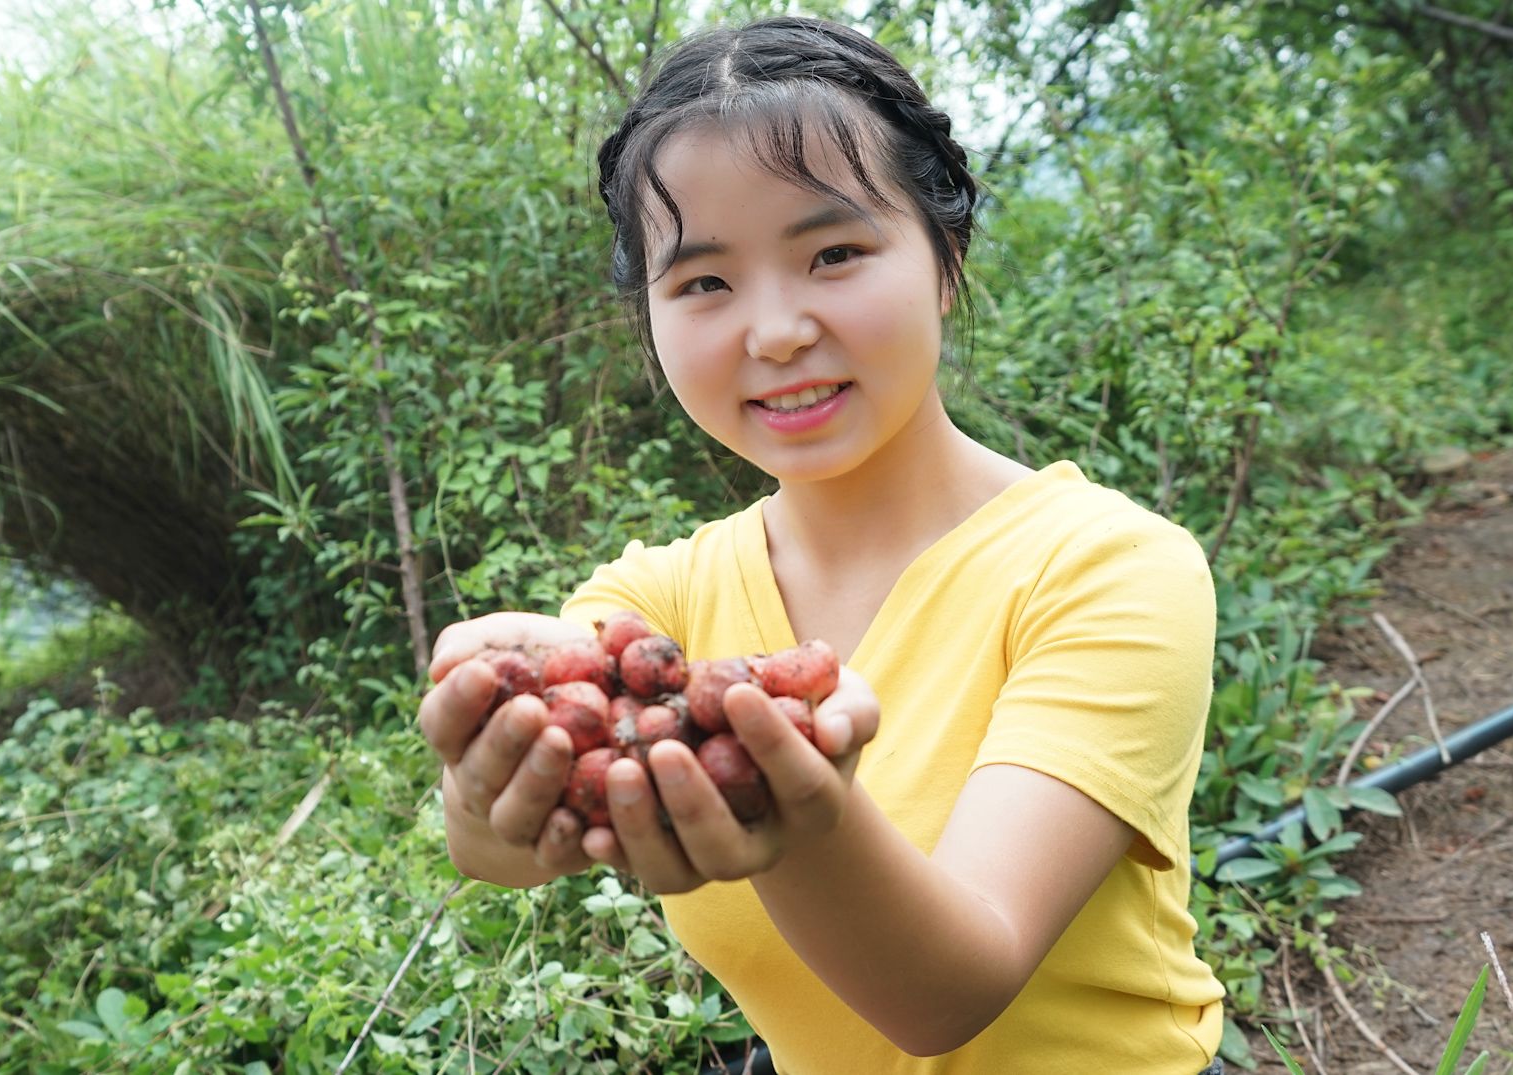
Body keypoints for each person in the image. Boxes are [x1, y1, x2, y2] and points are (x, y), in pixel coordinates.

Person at [418, 15, 1227, 1074]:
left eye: (834, 252)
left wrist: (800, 815)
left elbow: (952, 991)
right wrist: (489, 763)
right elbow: (495, 851)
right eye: (704, 282)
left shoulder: (1109, 568)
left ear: (944, 258)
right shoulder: (652, 598)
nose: (776, 330)